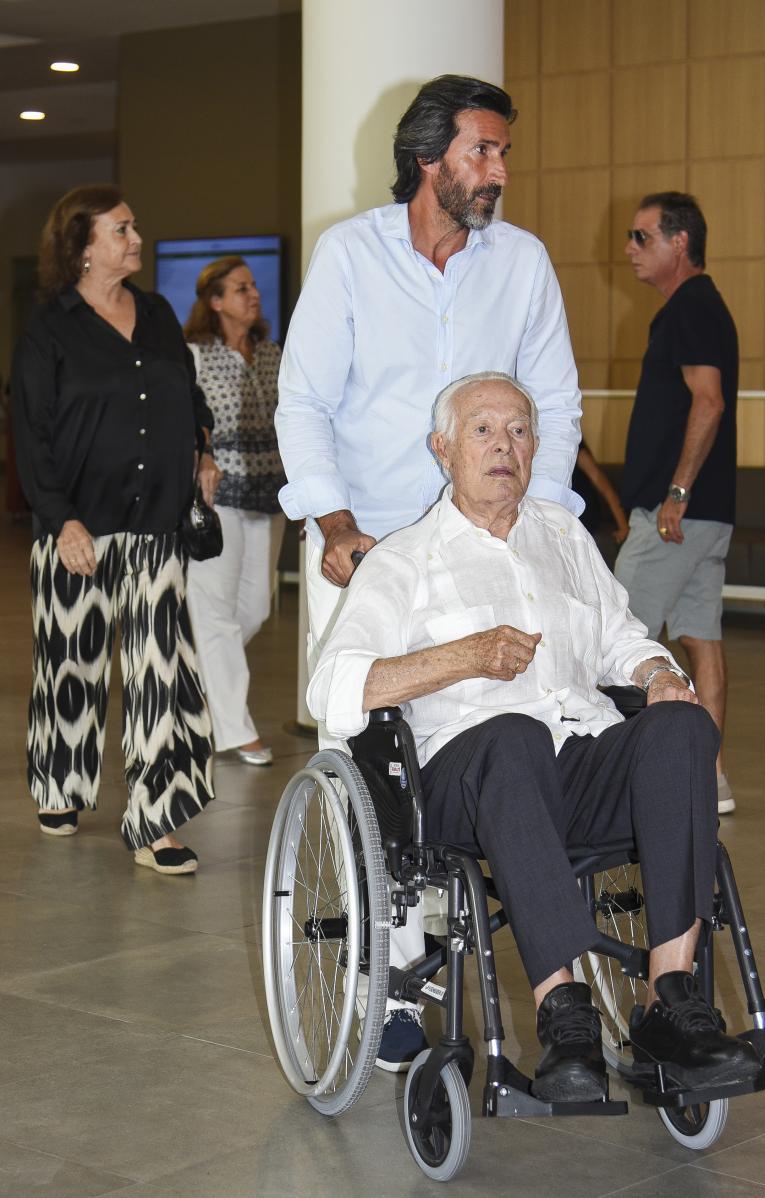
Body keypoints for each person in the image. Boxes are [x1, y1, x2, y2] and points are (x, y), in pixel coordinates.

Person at [309, 373, 760, 1101]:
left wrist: (657, 675)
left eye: (518, 430)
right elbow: (332, 687)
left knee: (680, 726)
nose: (503, 446)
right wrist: (464, 657)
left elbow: (622, 637)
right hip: (468, 780)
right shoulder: (404, 559)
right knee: (512, 733)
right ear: (443, 449)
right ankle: (566, 1012)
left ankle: (671, 1003)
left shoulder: (562, 533)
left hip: (577, 761)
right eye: (483, 430)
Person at [276, 73, 582, 1069]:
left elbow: (558, 407)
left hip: (478, 547)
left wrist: (544, 527)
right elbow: (305, 402)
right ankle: (398, 973)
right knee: (378, 764)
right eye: (481, 152)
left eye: (501, 152)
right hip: (362, 548)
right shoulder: (351, 255)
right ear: (429, 158)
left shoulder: (522, 263)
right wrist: (332, 519)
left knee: (494, 734)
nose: (497, 171)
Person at [10, 184, 220, 875]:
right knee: (70, 664)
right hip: (79, 526)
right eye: (122, 229)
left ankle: (157, 821)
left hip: (157, 520)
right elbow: (31, 434)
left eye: (133, 226)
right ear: (82, 244)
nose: (136, 238)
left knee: (161, 673)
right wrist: (59, 517)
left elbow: (186, 395)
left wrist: (203, 451)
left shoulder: (157, 313)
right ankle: (62, 783)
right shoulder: (50, 327)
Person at [612, 192, 739, 815]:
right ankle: (709, 782)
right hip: (702, 516)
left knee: (615, 636)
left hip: (677, 514)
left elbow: (708, 401)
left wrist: (676, 493)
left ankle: (611, 783)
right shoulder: (697, 307)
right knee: (700, 639)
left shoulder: (691, 306)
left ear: (679, 242)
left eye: (641, 237)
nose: (630, 249)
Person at [183, 256, 286, 766]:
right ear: (215, 301)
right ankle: (233, 726)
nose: (254, 294)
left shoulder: (271, 354)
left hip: (268, 497)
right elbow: (185, 423)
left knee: (255, 610)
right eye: (240, 288)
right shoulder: (195, 356)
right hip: (215, 499)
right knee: (216, 616)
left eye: (254, 287)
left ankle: (192, 681)